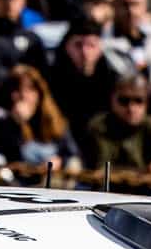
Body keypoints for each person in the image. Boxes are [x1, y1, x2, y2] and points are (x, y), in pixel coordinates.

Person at [0, 64, 76, 172]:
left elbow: (72, 154)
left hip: (52, 182)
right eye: (18, 90)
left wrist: (60, 161)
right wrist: (16, 123)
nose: (24, 95)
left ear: (39, 93)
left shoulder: (54, 120)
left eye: (30, 89)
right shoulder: (0, 121)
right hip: (17, 185)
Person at [83, 75, 151, 188]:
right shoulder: (99, 126)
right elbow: (101, 171)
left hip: (144, 192)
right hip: (107, 191)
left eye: (138, 101)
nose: (131, 108)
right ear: (113, 100)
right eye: (124, 101)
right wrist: (145, 174)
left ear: (146, 103)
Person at [47, 18, 120, 152]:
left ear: (100, 48)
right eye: (78, 45)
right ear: (67, 46)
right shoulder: (52, 79)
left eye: (91, 45)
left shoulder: (111, 80)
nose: (85, 52)